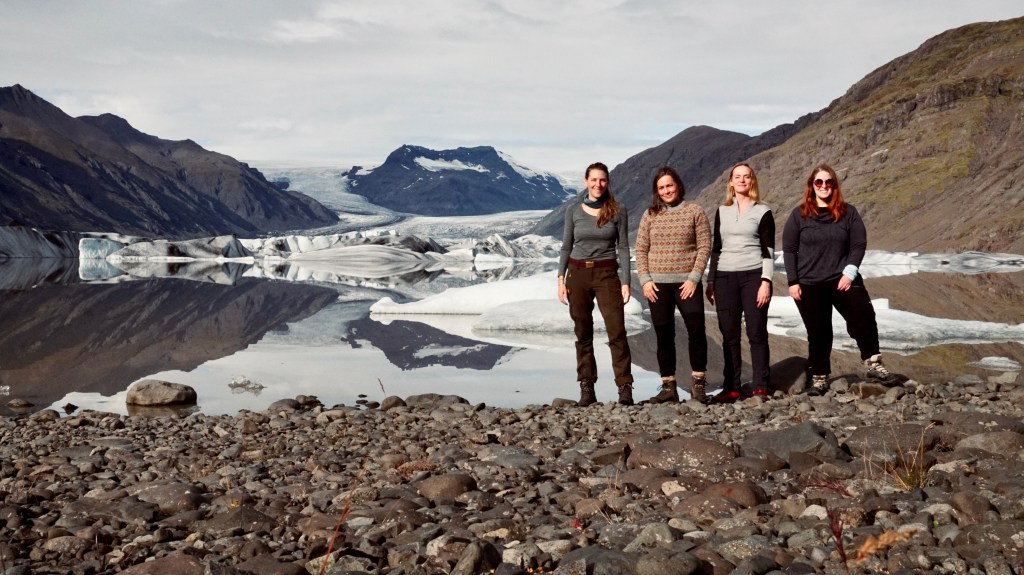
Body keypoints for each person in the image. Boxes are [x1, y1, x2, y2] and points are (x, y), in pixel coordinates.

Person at [782, 164, 901, 396]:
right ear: (812, 186)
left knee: (864, 316)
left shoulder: (848, 213)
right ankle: (819, 377)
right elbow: (789, 249)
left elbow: (858, 244)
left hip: (842, 278)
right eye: (819, 182)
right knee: (819, 331)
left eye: (829, 182)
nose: (824, 186)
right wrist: (792, 281)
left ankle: (874, 364)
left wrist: (850, 272)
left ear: (834, 186)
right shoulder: (799, 215)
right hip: (809, 282)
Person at [557, 162, 635, 406]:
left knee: (617, 331)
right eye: (594, 180)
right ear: (585, 182)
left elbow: (622, 247)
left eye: (602, 180)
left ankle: (625, 387)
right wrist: (561, 278)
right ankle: (587, 387)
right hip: (578, 275)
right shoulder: (573, 211)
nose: (598, 184)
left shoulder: (617, 210)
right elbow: (566, 246)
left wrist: (626, 281)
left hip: (607, 275)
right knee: (583, 333)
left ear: (607, 182)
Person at [634, 167, 712, 403]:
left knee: (696, 331)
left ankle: (698, 385)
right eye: (661, 188)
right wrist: (645, 280)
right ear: (656, 192)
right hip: (657, 286)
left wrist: (693, 278)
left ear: (678, 185)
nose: (666, 190)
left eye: (669, 185)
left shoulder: (695, 211)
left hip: (687, 283)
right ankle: (669, 387)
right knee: (663, 335)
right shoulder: (650, 215)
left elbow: (704, 247)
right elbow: (640, 249)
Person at [706, 163, 775, 402]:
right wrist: (711, 280)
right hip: (725, 277)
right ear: (731, 182)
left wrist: (766, 281)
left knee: (756, 332)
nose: (742, 180)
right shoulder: (721, 211)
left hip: (753, 275)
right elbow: (716, 249)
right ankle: (732, 387)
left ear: (752, 181)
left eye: (747, 177)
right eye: (738, 177)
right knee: (729, 335)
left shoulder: (762, 211)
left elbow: (768, 249)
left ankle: (760, 386)